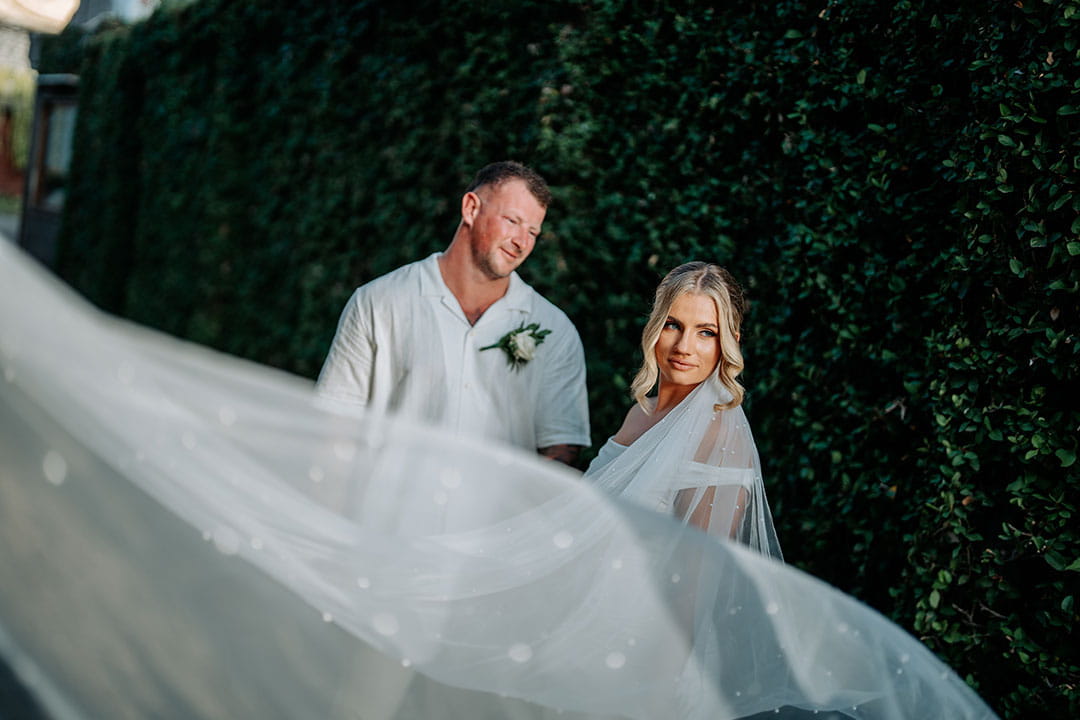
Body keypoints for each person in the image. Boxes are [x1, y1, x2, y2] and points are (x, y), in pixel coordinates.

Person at [316, 161, 589, 465]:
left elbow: (561, 450)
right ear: (471, 208)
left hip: (497, 513)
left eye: (533, 232)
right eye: (512, 221)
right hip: (387, 507)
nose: (521, 242)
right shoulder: (379, 302)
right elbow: (336, 426)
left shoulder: (553, 329)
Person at [585, 261, 782, 559]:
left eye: (706, 332)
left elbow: (697, 578)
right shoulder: (639, 413)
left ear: (729, 342)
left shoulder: (719, 440)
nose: (683, 346)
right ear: (654, 326)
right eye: (673, 325)